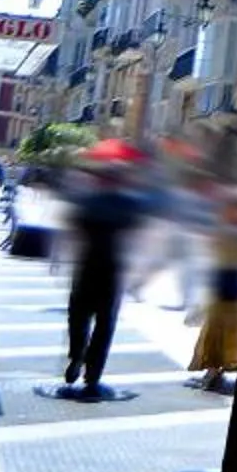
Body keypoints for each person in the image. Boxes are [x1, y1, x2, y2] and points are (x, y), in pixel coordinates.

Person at [63, 160, 147, 395]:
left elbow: (73, 232)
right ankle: (93, 372)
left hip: (87, 264)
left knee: (78, 316)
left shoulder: (86, 201)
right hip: (113, 266)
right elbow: (137, 236)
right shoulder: (130, 203)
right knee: (105, 322)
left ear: (99, 180)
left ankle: (77, 354)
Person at [187, 192, 237, 392]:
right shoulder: (226, 231)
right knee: (214, 332)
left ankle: (218, 371)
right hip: (222, 285)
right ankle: (212, 371)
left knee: (228, 333)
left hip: (233, 286)